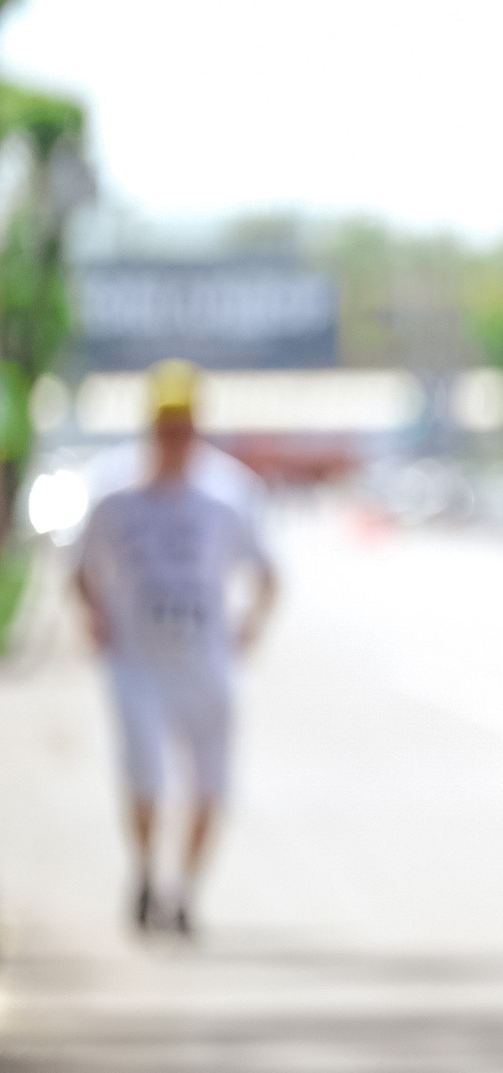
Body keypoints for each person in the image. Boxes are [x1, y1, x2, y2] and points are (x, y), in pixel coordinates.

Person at [73, 360, 278, 939]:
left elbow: (268, 574)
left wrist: (250, 627)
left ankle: (184, 892)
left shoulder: (230, 492)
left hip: (205, 662)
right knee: (144, 777)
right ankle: (144, 873)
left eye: (184, 424)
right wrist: (94, 618)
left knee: (211, 782)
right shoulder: (113, 491)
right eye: (165, 424)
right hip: (138, 664)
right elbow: (80, 570)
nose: (175, 437)